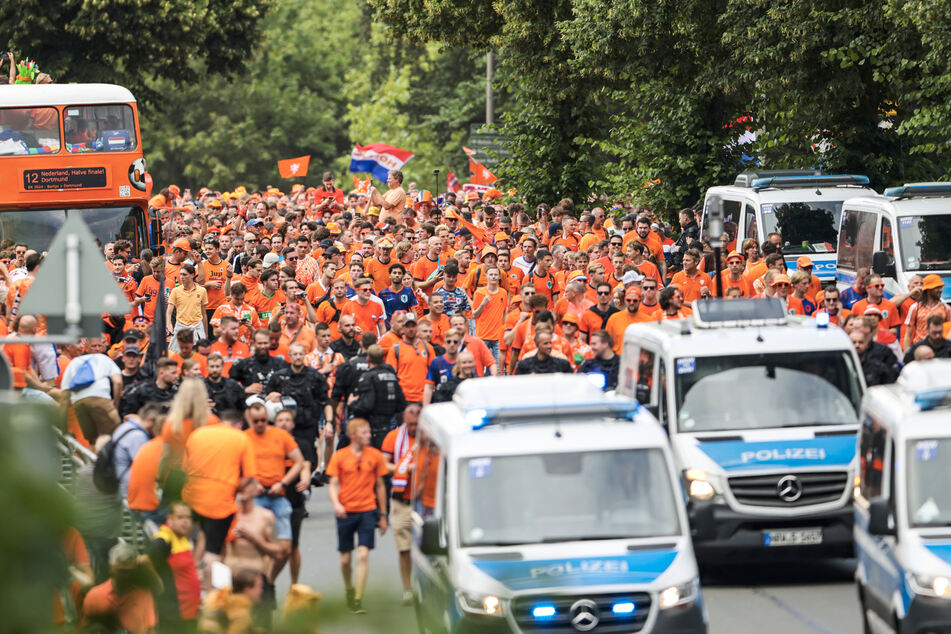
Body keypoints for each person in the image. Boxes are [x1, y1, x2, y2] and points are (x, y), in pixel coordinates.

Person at [182, 407, 260, 588]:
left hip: (190, 498)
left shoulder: (197, 434)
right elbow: (249, 476)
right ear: (239, 425)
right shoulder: (241, 438)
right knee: (213, 551)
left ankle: (189, 585)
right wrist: (233, 488)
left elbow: (185, 467)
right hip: (219, 502)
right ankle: (207, 591)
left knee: (197, 542)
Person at [326, 418, 389, 614]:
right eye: (364, 432)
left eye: (368, 432)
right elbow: (334, 483)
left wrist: (383, 514)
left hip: (367, 509)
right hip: (346, 511)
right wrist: (336, 504)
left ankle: (357, 599)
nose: (369, 435)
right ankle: (349, 589)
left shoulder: (375, 455)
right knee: (345, 559)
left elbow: (380, 485)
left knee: (363, 555)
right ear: (353, 435)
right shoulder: (340, 456)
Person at [244, 401, 304, 586]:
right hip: (256, 496)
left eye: (263, 419)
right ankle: (260, 586)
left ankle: (269, 581)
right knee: (256, 547)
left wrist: (283, 482)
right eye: (256, 421)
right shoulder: (244, 438)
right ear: (250, 420)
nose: (260, 424)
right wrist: (252, 482)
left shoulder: (280, 436)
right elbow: (236, 464)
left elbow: (299, 461)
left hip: (278, 495)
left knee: (285, 548)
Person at [264, 342, 333, 472]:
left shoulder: (315, 376)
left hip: (307, 426)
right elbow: (265, 399)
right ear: (289, 356)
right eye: (294, 354)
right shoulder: (278, 377)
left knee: (307, 464)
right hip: (285, 429)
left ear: (304, 356)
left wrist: (329, 423)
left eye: (300, 354)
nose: (297, 357)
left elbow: (326, 402)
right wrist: (269, 397)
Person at [380, 403, 420, 606]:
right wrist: (402, 469)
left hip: (424, 502)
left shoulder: (430, 436)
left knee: (428, 548)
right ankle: (407, 589)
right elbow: (382, 464)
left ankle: (424, 586)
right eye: (410, 424)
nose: (414, 428)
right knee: (404, 548)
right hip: (401, 501)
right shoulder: (393, 437)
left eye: (416, 424)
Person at [82, 543, 161, 634]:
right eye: (121, 571)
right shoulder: (94, 596)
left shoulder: (144, 595)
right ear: (110, 568)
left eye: (130, 572)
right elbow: (85, 629)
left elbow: (151, 630)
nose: (126, 576)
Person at [148, 501, 201, 630]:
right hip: (174, 613)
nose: (185, 521)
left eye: (188, 517)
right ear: (169, 519)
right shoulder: (163, 539)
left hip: (189, 611)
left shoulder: (181, 537)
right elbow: (144, 562)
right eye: (180, 517)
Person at [60, 350, 123, 444]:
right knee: (117, 435)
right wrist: (115, 405)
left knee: (92, 441)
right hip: (100, 399)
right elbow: (118, 382)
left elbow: (64, 399)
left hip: (78, 403)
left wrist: (63, 430)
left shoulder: (73, 363)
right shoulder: (104, 359)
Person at [350, 344, 407, 449]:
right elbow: (401, 404)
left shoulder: (368, 377)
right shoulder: (392, 376)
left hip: (374, 428)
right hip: (390, 426)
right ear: (383, 358)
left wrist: (352, 404)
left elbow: (367, 405)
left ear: (368, 359)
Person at [111, 403, 161, 502]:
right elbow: (144, 466)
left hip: (117, 481)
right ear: (150, 420)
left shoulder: (127, 426)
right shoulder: (138, 436)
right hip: (126, 489)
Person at [230, 328, 289, 395]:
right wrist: (245, 390)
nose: (263, 346)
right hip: (250, 402)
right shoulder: (244, 364)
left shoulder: (280, 364)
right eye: (260, 343)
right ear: (254, 343)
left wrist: (280, 394)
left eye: (265, 343)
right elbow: (229, 386)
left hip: (275, 402)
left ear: (269, 343)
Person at [166, 263, 209, 353]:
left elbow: (204, 314)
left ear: (192, 275)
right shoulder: (175, 291)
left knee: (199, 356)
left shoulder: (202, 291)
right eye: (180, 274)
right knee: (175, 356)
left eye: (184, 274)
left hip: (197, 327)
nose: (181, 277)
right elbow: (169, 312)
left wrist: (205, 333)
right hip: (180, 327)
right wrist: (169, 325)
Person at [902, 275, 951, 350]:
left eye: (941, 287)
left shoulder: (946, 309)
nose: (940, 290)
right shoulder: (915, 308)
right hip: (920, 349)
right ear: (928, 290)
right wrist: (906, 354)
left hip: (940, 350)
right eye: (937, 287)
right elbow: (908, 334)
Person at [851, 317, 900, 386]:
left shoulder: (883, 351)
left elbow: (893, 375)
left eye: (857, 328)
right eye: (853, 328)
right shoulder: (847, 350)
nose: (854, 331)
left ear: (867, 329)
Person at [605, 287, 653, 354]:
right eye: (628, 300)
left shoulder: (649, 321)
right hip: (618, 359)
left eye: (635, 300)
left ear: (640, 301)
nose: (631, 303)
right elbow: (607, 343)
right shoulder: (614, 319)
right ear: (624, 300)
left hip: (639, 361)